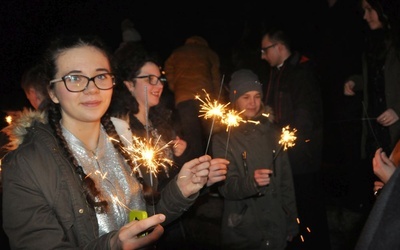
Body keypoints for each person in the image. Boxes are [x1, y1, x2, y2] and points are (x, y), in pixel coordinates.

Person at [1, 35, 217, 249]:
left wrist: (180, 190)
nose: (92, 88)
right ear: (52, 92)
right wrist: (112, 245)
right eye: (75, 78)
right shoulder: (25, 167)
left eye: (101, 76)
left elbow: (142, 220)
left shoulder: (122, 143)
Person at [109, 47, 228, 249]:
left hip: (175, 220)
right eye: (149, 79)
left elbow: (173, 177)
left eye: (160, 79)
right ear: (129, 85)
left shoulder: (161, 123)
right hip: (149, 227)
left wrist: (200, 175)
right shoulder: (121, 129)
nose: (158, 85)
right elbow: (142, 191)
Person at [211, 69, 298, 249]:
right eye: (246, 97)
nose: (252, 103)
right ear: (235, 100)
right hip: (243, 230)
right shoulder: (223, 139)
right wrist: (252, 182)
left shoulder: (274, 134)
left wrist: (291, 221)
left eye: (257, 96)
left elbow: (286, 183)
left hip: (275, 226)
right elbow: (226, 188)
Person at [260, 28, 330, 249]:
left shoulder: (300, 72)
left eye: (265, 50)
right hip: (287, 155)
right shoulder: (278, 72)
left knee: (308, 207)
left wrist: (287, 138)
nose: (262, 56)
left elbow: (305, 116)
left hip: (302, 157)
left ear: (279, 47)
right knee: (294, 205)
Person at [164, 35, 222, 158]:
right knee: (211, 134)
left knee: (192, 136)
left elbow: (167, 69)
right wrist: (217, 98)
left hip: (183, 98)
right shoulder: (209, 53)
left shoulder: (177, 52)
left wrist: (176, 87)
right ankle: (212, 163)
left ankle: (196, 165)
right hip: (206, 98)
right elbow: (216, 78)